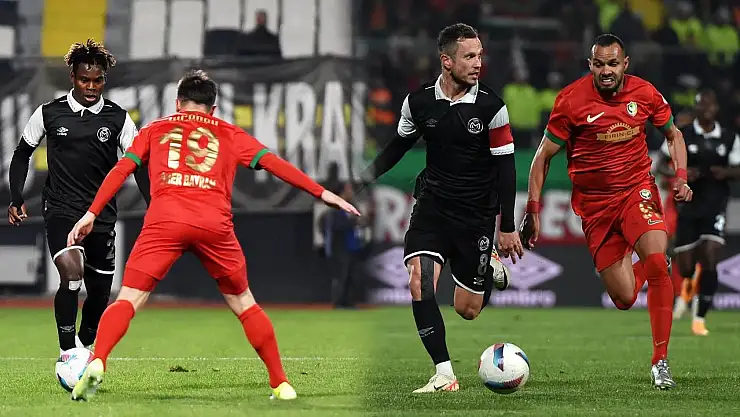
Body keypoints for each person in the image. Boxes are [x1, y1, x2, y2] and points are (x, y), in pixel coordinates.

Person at [65, 70, 360, 401]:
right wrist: (323, 193)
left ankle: (99, 360)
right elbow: (275, 164)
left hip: (165, 221)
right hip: (213, 224)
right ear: (213, 108)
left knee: (129, 298)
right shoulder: (230, 133)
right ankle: (281, 384)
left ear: (178, 104)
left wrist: (91, 213)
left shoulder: (154, 129)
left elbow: (122, 169)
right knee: (245, 303)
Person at [521, 34, 692, 390]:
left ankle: (660, 361)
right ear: (590, 65)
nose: (606, 71)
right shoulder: (571, 100)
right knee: (625, 298)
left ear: (625, 64)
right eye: (599, 64)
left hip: (636, 191)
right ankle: (655, 263)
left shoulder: (645, 93)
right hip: (596, 207)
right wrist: (533, 209)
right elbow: (542, 157)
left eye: (613, 64)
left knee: (655, 261)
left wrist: (680, 177)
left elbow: (674, 135)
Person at [358, 23, 523, 393]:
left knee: (468, 309)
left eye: (480, 55)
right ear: (446, 61)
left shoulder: (492, 107)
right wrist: (360, 180)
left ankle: (488, 262)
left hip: (476, 215)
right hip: (432, 207)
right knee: (419, 281)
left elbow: (506, 169)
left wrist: (507, 225)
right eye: (469, 56)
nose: (478, 63)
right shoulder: (418, 103)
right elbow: (397, 147)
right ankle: (444, 374)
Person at [7, 39, 150, 354]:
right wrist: (16, 197)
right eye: (85, 80)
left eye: (97, 80)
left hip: (101, 214)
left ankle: (84, 343)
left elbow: (138, 163)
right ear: (72, 77)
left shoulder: (118, 118)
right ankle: (66, 353)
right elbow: (22, 153)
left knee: (99, 294)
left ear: (104, 79)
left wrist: (154, 205)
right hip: (61, 209)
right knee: (72, 275)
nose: (91, 87)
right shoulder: (49, 113)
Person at [658, 89, 740, 335]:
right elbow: (660, 164)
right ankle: (687, 287)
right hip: (688, 206)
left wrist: (725, 173)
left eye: (710, 105)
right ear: (696, 109)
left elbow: (738, 168)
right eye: (701, 105)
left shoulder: (729, 138)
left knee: (710, 255)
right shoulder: (680, 134)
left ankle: (700, 317)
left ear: (716, 109)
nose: (706, 110)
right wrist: (679, 175)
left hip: (715, 205)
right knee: (685, 266)